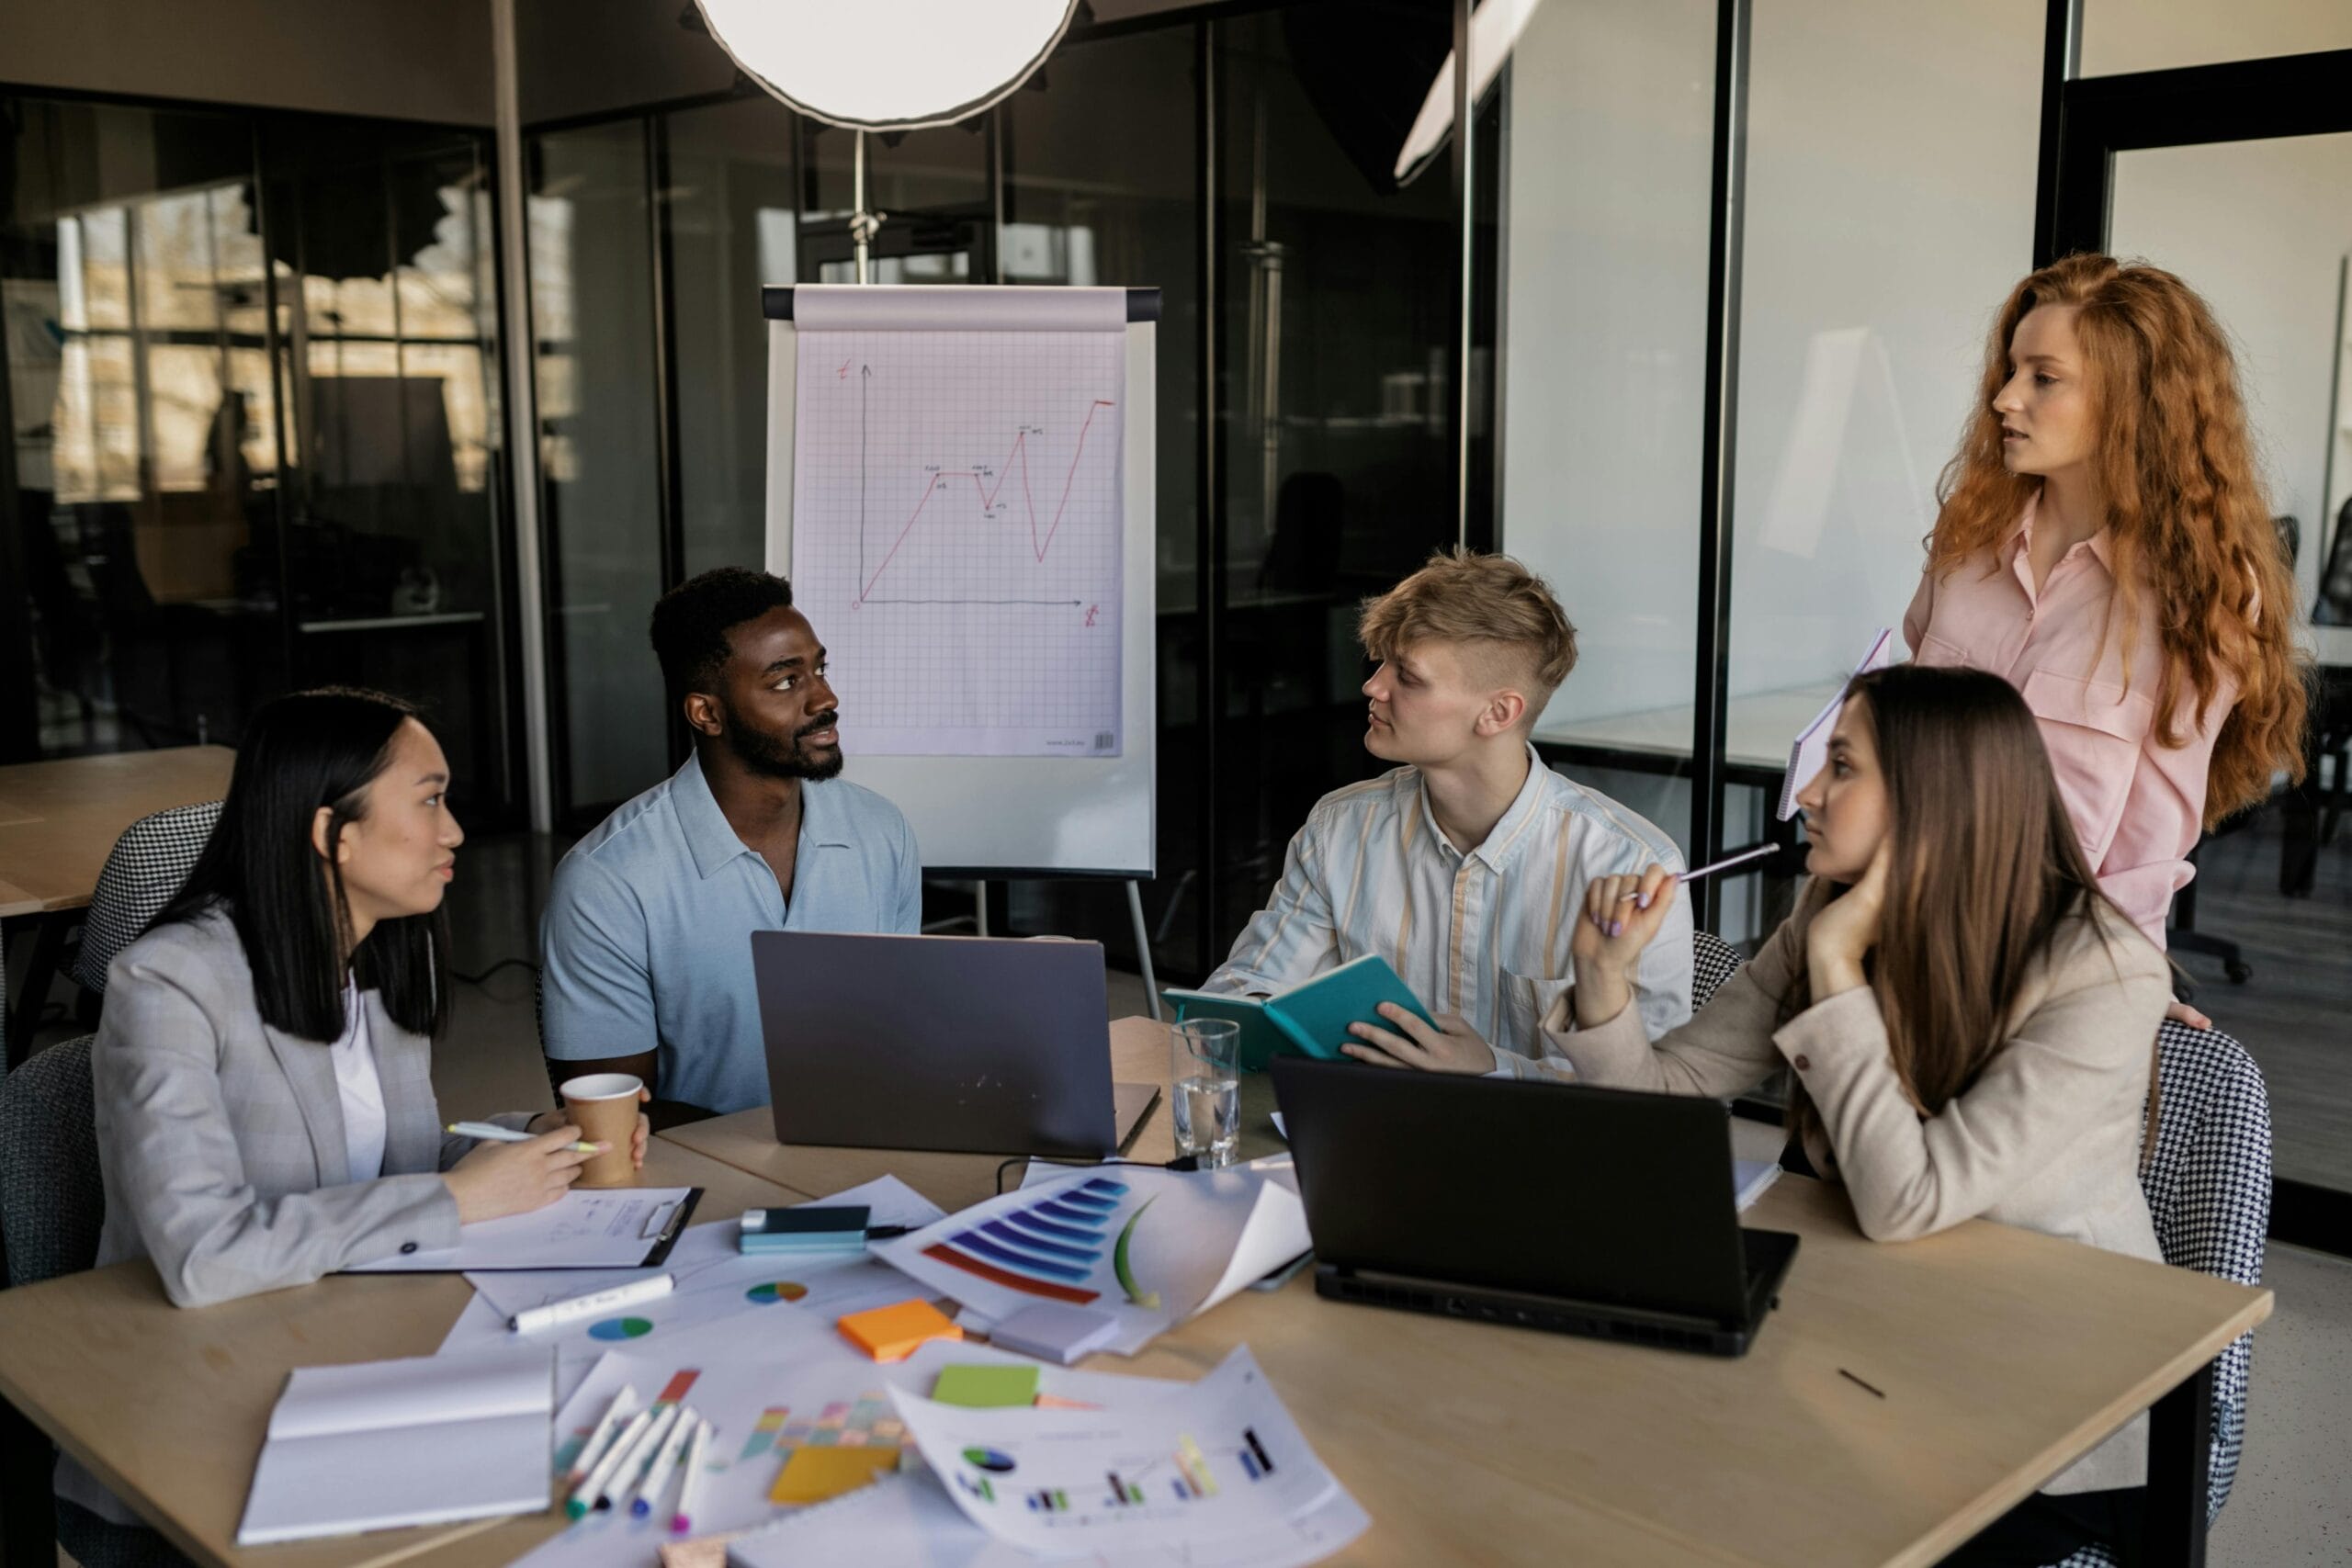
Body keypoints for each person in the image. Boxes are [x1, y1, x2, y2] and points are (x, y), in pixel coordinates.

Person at [1555, 663, 2170, 1565]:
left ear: (1932, 796)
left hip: (2049, 1402)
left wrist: (1838, 967)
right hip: (1870, 1335)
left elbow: (1908, 1203)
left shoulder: (2101, 969)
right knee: (1613, 1452)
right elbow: (1667, 1095)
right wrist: (1601, 983)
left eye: (1839, 767)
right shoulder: (1826, 909)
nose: (1804, 792)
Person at [64, 689, 643, 1537]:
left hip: (361, 1337)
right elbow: (201, 1253)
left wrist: (534, 1142)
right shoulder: (169, 983)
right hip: (212, 1393)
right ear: (332, 833)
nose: (454, 831)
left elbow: (393, 1162)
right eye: (430, 799)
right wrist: (459, 1200)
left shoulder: (377, 954)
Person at [1904, 254, 2306, 1023]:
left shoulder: (2202, 593)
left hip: (2050, 977)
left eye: (2042, 378)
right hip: (1901, 931)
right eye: (2011, 369)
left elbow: (2150, 836)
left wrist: (2121, 990)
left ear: (2132, 399)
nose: (2004, 397)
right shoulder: (1967, 544)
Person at [1204, 547, 1693, 1077]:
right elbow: (1241, 995)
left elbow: (1657, 1090)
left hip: (1544, 1153)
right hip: (1367, 1129)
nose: (1373, 687)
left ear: (1498, 712)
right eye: (1380, 664)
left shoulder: (1632, 864)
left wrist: (1493, 1070)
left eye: (1407, 677)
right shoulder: (1340, 828)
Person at [540, 568, 921, 1120]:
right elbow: (612, 1126)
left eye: (819, 669)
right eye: (786, 681)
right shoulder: (607, 880)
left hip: (870, 1151)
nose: (825, 698)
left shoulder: (882, 830)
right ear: (708, 713)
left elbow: (907, 1036)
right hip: (710, 1183)